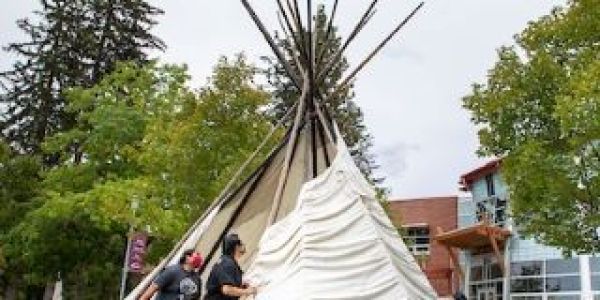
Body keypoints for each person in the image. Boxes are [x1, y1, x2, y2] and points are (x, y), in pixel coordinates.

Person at [204, 233, 257, 300]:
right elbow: (227, 290)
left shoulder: (228, 261)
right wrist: (247, 291)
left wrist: (242, 286)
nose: (243, 245)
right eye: (241, 244)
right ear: (236, 247)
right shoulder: (227, 263)